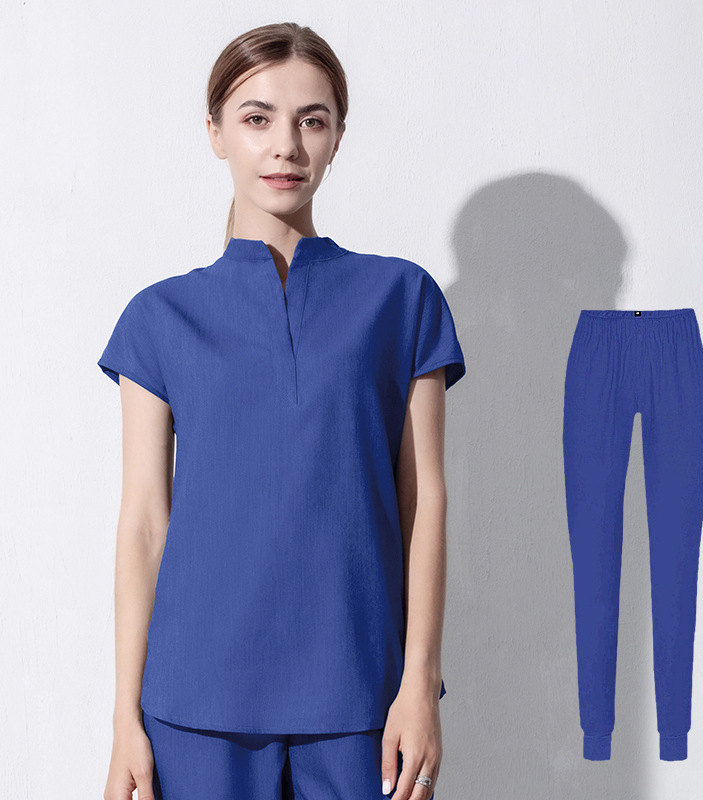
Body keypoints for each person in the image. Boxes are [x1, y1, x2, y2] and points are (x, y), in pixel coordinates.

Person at [99, 22, 466, 800]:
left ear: (337, 137)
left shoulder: (402, 299)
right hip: (193, 706)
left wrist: (419, 683)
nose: (286, 147)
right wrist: (125, 718)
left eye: (312, 120)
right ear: (215, 133)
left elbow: (424, 501)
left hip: (367, 700)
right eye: (257, 118)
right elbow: (144, 525)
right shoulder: (159, 318)